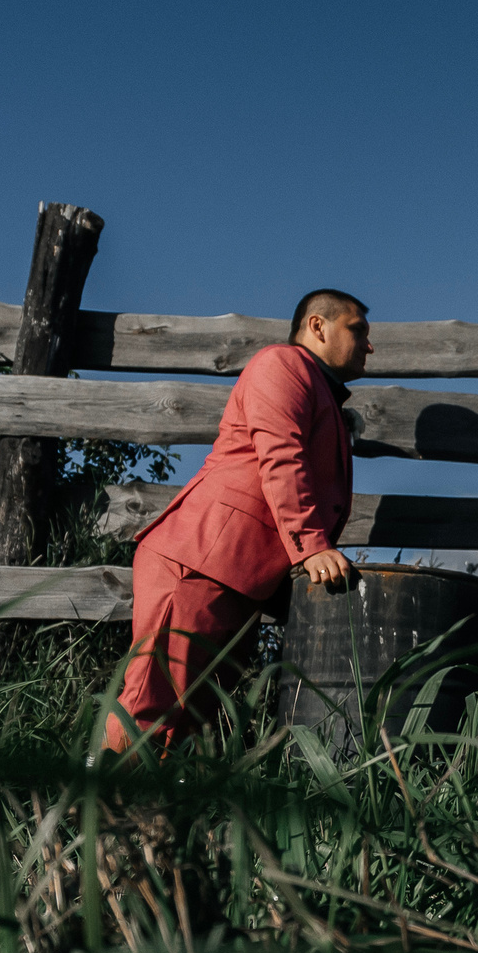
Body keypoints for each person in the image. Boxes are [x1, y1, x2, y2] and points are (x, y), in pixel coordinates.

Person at [104, 289, 369, 751]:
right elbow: (281, 456)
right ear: (318, 326)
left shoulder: (320, 389)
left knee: (196, 722)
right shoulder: (282, 365)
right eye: (358, 330)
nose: (369, 345)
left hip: (239, 575)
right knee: (152, 704)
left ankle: (154, 801)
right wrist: (311, 545)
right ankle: (91, 794)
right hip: (200, 558)